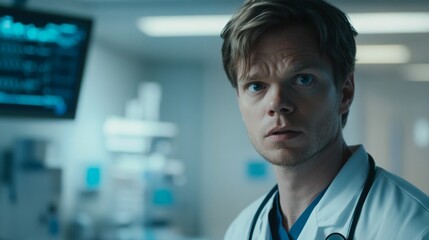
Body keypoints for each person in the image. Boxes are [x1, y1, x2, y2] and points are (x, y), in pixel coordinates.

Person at [220, 0, 429, 239]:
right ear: (239, 100)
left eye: (303, 79)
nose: (277, 104)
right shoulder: (242, 230)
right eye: (256, 86)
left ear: (345, 92)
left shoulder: (413, 228)